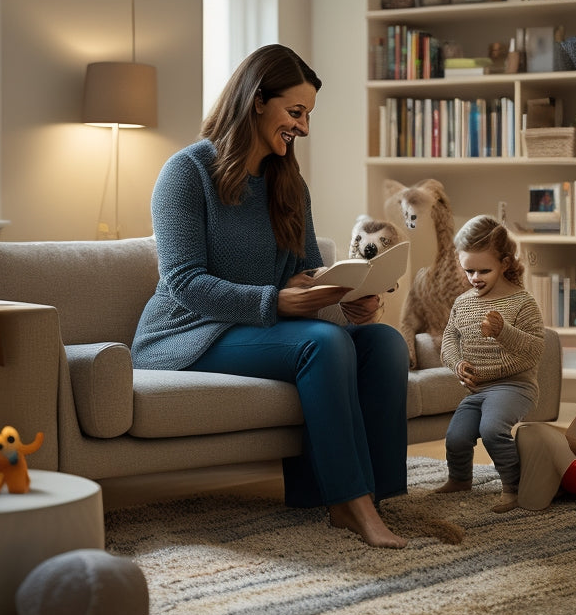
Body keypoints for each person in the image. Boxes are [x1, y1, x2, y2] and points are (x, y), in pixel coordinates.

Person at [131, 44, 409, 548]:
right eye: (296, 112)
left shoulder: (288, 181)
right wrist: (274, 303)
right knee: (323, 345)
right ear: (258, 99)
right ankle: (351, 503)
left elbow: (304, 270)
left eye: (307, 116)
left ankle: (378, 496)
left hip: (258, 330)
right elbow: (183, 281)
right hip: (187, 337)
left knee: (384, 344)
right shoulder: (185, 173)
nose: (303, 127)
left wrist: (345, 296)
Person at [435, 215, 544, 513]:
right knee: (456, 437)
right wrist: (458, 365)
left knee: (493, 428)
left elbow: (535, 348)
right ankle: (460, 479)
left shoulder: (522, 302)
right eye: (468, 269)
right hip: (478, 389)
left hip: (515, 386)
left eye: (484, 270)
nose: (475, 277)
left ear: (505, 264)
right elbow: (449, 341)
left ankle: (514, 486)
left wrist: (503, 332)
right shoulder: (463, 302)